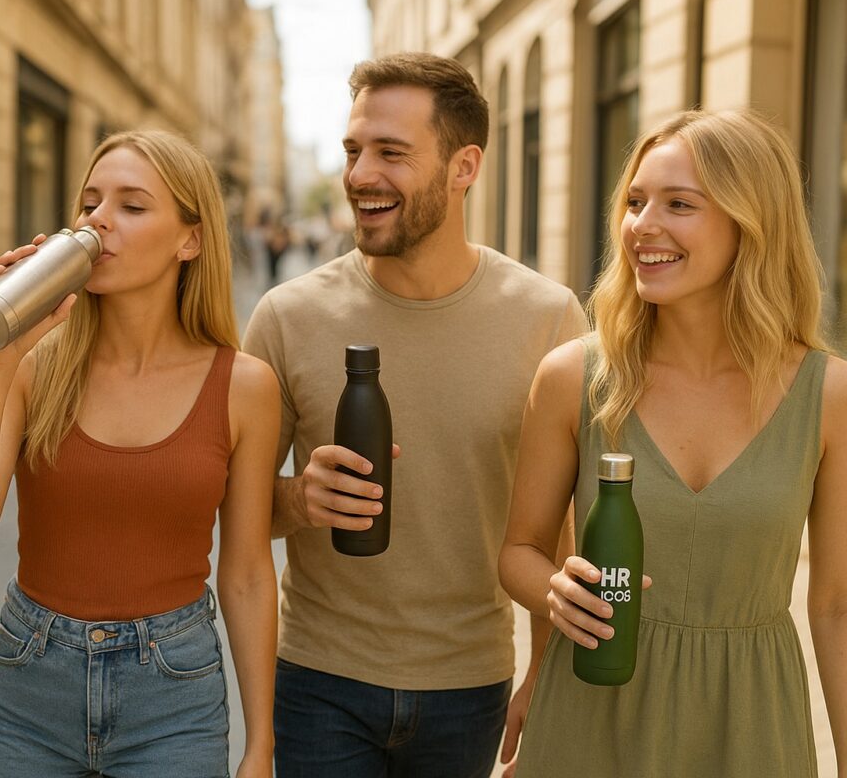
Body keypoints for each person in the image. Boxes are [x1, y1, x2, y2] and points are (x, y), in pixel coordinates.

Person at [242, 52, 588, 777]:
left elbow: (557, 524)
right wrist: (299, 499)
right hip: (318, 681)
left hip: (471, 685)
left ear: (465, 167)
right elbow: (237, 514)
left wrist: (545, 676)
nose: (361, 174)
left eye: (391, 153)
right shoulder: (286, 316)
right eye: (353, 150)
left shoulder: (549, 319)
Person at [499, 108, 847, 776]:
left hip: (751, 731)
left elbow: (833, 608)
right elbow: (518, 550)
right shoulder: (574, 376)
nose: (642, 226)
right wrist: (553, 590)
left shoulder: (826, 397)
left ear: (752, 223)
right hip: (589, 722)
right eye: (634, 202)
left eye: (678, 204)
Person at [0, 130, 279, 778]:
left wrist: (260, 745)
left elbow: (250, 573)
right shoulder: (35, 368)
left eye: (132, 205)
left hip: (174, 697)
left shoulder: (244, 387)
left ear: (190, 239)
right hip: (27, 688)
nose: (98, 219)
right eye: (90, 202)